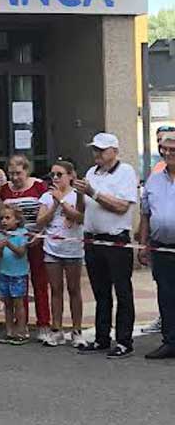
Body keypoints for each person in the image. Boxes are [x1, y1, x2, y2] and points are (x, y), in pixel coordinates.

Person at [74, 132, 138, 359]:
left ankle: (124, 340)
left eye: (101, 150)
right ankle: (102, 337)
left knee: (122, 291)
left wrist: (93, 192)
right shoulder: (92, 172)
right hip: (93, 238)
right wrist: (80, 193)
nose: (97, 154)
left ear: (114, 151)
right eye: (94, 149)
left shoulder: (126, 172)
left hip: (115, 239)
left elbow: (122, 206)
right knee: (100, 292)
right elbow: (83, 208)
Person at [0, 155, 51, 342]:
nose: (14, 178)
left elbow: (48, 211)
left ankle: (44, 324)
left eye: (18, 173)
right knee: (17, 283)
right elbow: (1, 214)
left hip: (34, 240)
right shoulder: (4, 190)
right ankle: (21, 325)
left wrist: (40, 233)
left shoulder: (39, 186)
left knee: (40, 281)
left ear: (27, 171)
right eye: (11, 173)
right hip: (14, 242)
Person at [36, 159, 86, 348]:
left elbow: (79, 217)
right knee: (55, 289)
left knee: (74, 289)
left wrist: (62, 201)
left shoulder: (76, 195)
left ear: (70, 176)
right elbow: (40, 222)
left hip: (72, 248)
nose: (55, 178)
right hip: (52, 248)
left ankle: (77, 329)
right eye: (53, 175)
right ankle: (56, 329)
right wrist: (55, 205)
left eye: (59, 174)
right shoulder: (47, 197)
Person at [140, 135, 175, 359]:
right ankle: (170, 341)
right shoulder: (153, 180)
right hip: (161, 247)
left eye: (173, 150)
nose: (169, 153)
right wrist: (144, 244)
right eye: (165, 150)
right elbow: (145, 214)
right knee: (166, 295)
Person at [0, 205, 31, 344]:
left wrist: (8, 244)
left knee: (19, 303)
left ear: (17, 220)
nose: (4, 221)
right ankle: (9, 331)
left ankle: (21, 330)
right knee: (7, 303)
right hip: (4, 272)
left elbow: (21, 252)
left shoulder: (23, 233)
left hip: (18, 274)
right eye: (1, 218)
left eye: (7, 218)